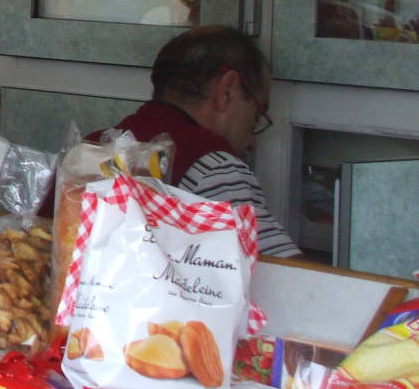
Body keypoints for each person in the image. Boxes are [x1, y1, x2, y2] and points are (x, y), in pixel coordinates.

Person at [90, 25, 300, 257]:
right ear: (227, 91)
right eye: (257, 116)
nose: (252, 142)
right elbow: (287, 279)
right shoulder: (213, 167)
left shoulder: (89, 149)